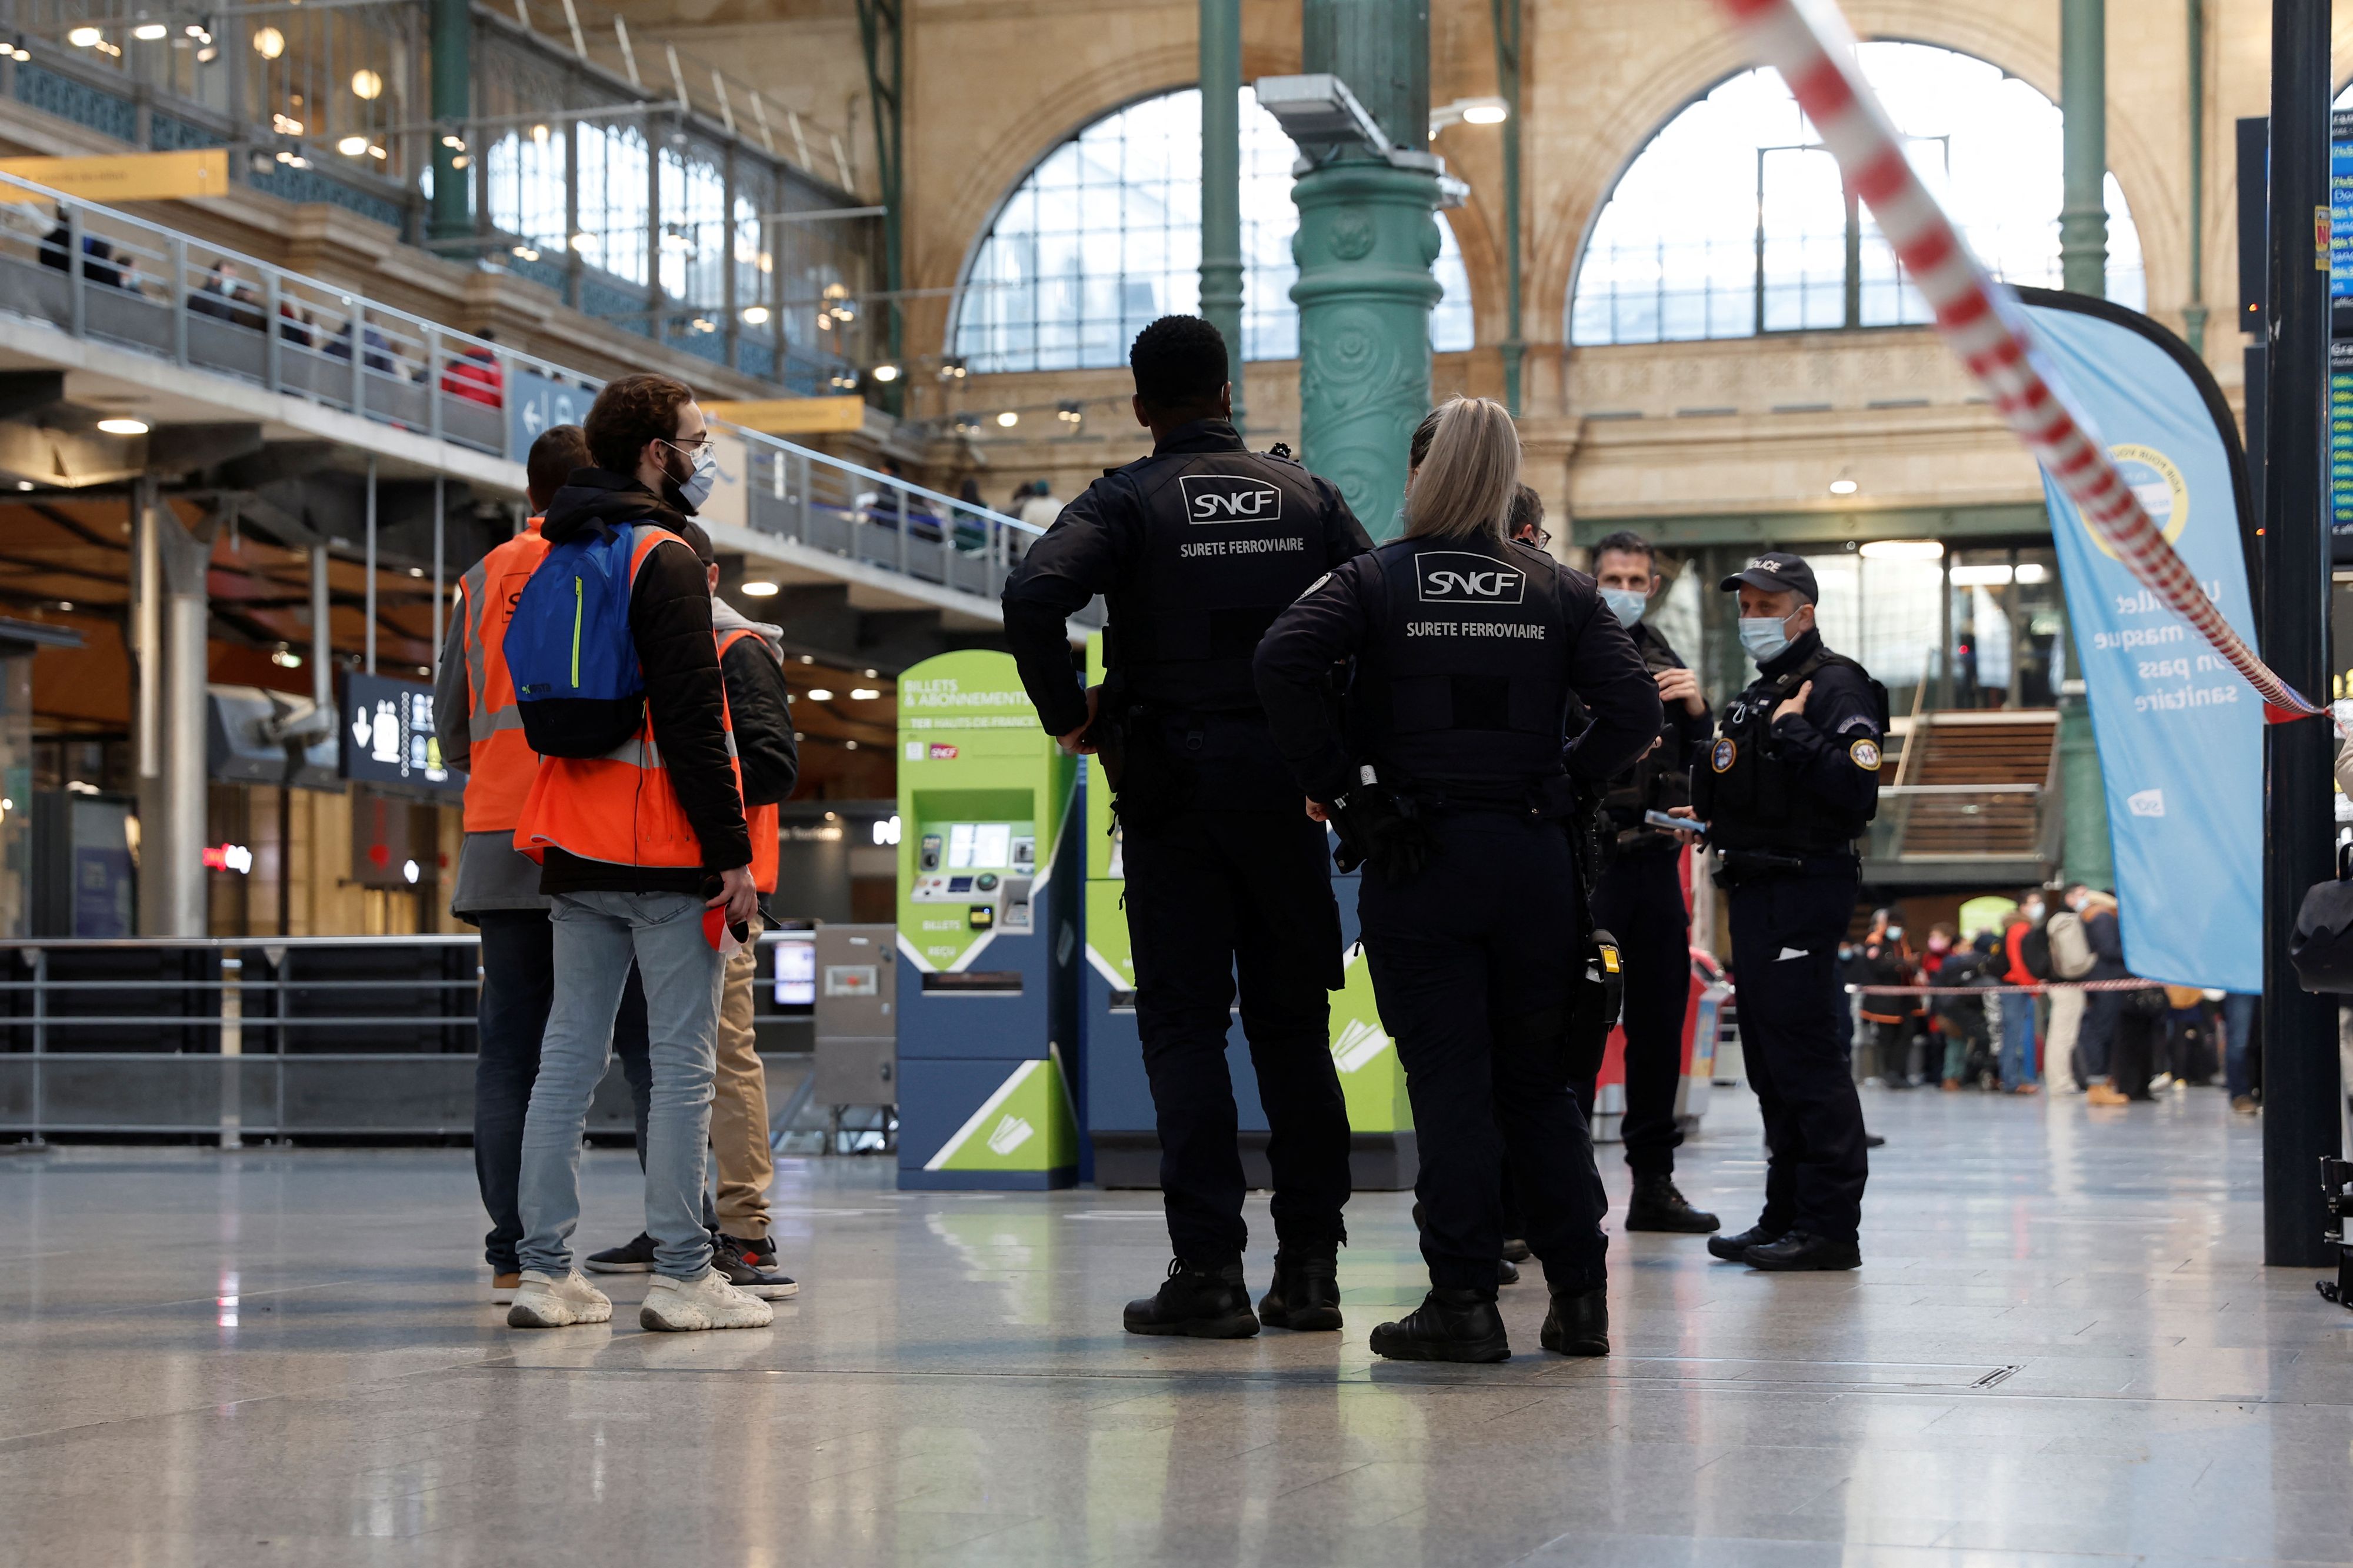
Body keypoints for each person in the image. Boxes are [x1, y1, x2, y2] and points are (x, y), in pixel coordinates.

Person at [1257, 396, 1661, 1363]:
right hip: (1533, 863)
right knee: (1535, 1085)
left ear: (1421, 476)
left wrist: (1348, 793)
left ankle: (1465, 1302)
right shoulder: (1559, 591)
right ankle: (1579, 1302)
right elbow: (1636, 708)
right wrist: (1565, 778)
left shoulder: (1375, 581)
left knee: (1450, 1083)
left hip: (1420, 857)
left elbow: (1281, 660)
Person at [1001, 313, 1369, 1339]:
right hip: (1287, 788)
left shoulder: (1126, 499)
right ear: (1227, 392)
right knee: (1293, 1028)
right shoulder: (1308, 494)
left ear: (1141, 405)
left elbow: (1034, 594)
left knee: (1183, 1029)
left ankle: (1207, 1272)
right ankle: (1311, 1275)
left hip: (1171, 793)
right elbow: (1369, 608)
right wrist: (1333, 749)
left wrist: (1071, 716)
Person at [505, 372, 769, 1335]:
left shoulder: (557, 551)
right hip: (662, 850)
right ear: (657, 453)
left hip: (570, 846)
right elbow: (698, 725)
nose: (704, 457)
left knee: (566, 1059)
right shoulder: (663, 557)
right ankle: (684, 1274)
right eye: (696, 441)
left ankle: (543, 1274)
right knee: (686, 1061)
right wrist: (733, 856)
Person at [584, 521, 801, 1301]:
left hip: (726, 883)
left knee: (725, 1056)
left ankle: (746, 1231)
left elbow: (773, 764)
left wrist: (704, 806)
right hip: (667, 879)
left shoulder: (738, 650)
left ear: (706, 577)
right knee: (672, 1061)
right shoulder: (654, 647)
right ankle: (682, 1219)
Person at [436, 423, 613, 1305]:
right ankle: (669, 1229)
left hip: (496, 837)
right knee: (594, 1046)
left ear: (529, 487)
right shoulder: (605, 558)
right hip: (585, 833)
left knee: (507, 1049)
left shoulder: (477, 579)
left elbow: (450, 725)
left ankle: (512, 1250)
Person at [1683, 551, 1884, 1272]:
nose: (1752, 618)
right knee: (1771, 1064)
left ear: (1803, 611)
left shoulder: (1834, 685)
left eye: (1766, 606)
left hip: (1804, 888)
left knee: (1807, 1061)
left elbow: (1856, 792)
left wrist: (1798, 734)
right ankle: (1785, 1214)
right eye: (1745, 606)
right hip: (1757, 887)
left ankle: (1830, 1227)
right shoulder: (1762, 690)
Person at [1572, 526, 1719, 1233]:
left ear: (1652, 586)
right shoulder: (1568, 641)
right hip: (1591, 865)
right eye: (1615, 579)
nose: (1626, 592)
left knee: (1660, 1025)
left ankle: (1653, 1183)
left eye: (1637, 581)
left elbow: (1709, 767)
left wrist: (1697, 711)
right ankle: (1560, 1188)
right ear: (1591, 577)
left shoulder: (1666, 656)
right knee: (1576, 1024)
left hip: (1658, 869)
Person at [1854, 910, 1915, 1086]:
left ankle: (1899, 1073)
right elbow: (1878, 966)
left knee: (1906, 1034)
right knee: (1886, 1037)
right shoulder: (1876, 942)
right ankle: (1888, 1073)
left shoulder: (1902, 942)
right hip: (1883, 1001)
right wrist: (1901, 964)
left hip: (1903, 998)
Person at [1998, 895, 2043, 1093]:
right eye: (2034, 903)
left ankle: (2016, 1079)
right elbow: (2018, 962)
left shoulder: (2020, 928)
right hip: (2016, 988)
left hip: (2019, 988)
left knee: (2016, 1035)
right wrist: (2032, 986)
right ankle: (2012, 1081)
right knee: (2014, 1036)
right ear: (2023, 907)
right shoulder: (2019, 929)